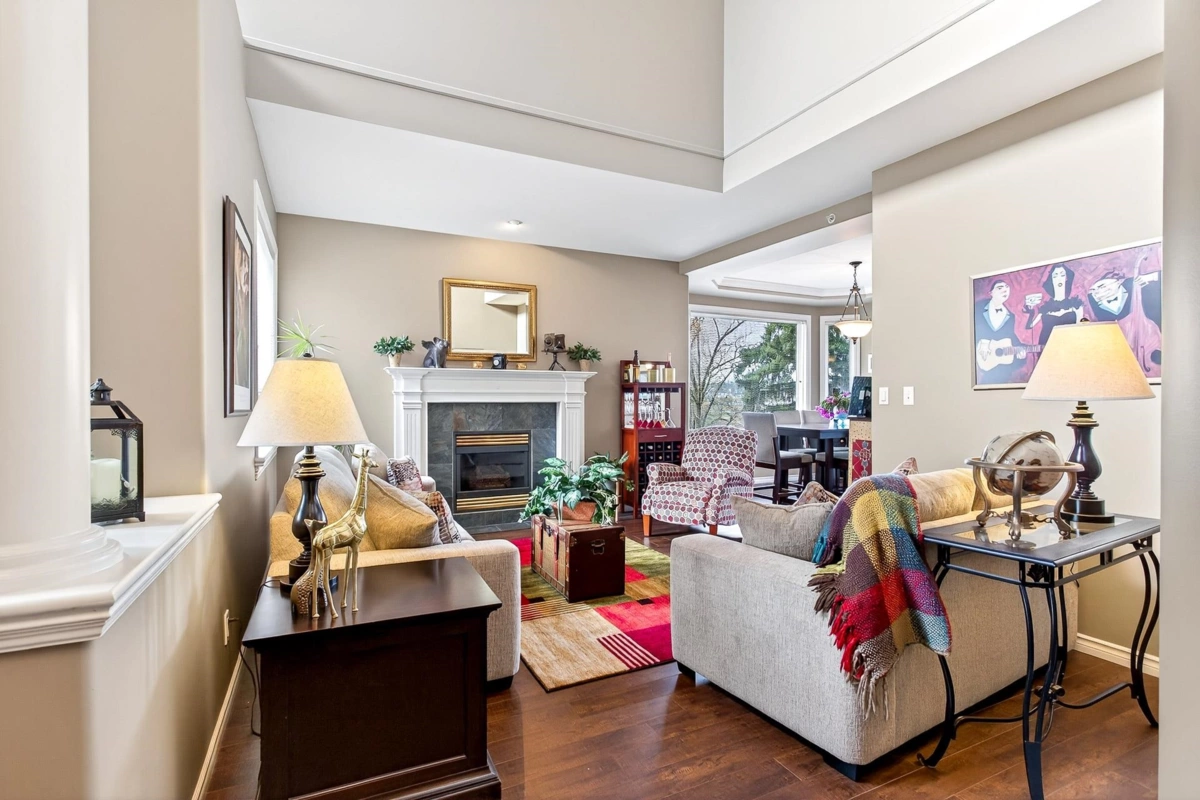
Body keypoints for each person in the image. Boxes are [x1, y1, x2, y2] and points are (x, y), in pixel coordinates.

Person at [975, 279, 1029, 384]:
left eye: (1007, 288)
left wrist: (1020, 349)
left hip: (1000, 364)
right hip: (981, 358)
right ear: (991, 293)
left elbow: (1010, 336)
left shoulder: (1010, 316)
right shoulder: (978, 308)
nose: (1004, 290)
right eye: (1000, 288)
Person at [1024, 263, 1084, 346]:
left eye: (1062, 275)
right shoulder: (1046, 308)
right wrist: (1031, 312)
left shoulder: (1075, 305)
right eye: (1055, 276)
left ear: (1066, 278)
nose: (1059, 278)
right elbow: (1029, 326)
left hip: (1069, 346)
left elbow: (1080, 330)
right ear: (1051, 280)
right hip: (1047, 347)